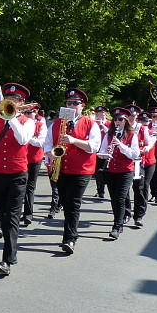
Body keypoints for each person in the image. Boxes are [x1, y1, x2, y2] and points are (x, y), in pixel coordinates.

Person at [0, 83, 34, 275]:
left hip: (18, 174)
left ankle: (6, 260)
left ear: (21, 103)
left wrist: (11, 118)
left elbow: (23, 139)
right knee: (2, 215)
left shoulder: (27, 121)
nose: (9, 103)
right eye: (7, 100)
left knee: (11, 217)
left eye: (14, 100)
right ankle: (13, 253)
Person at [43, 88, 101, 255]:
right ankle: (70, 234)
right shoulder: (56, 123)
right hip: (61, 169)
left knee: (73, 203)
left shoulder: (91, 124)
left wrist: (74, 140)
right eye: (69, 103)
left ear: (82, 106)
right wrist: (50, 155)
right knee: (65, 202)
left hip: (82, 170)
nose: (72, 105)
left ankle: (70, 238)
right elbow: (47, 144)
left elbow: (94, 146)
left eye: (75, 103)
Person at [97, 107, 140, 239]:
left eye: (120, 119)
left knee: (121, 198)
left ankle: (117, 226)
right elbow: (101, 152)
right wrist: (106, 153)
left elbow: (135, 154)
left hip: (125, 171)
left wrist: (121, 145)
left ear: (125, 121)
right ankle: (119, 222)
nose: (117, 122)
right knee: (114, 198)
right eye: (115, 120)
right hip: (110, 170)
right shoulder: (109, 135)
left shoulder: (132, 135)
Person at [22, 103, 47, 226]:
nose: (27, 114)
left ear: (35, 113)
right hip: (21, 159)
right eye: (25, 112)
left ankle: (28, 214)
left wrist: (27, 138)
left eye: (30, 112)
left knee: (30, 187)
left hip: (34, 159)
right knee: (20, 187)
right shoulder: (20, 122)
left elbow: (41, 142)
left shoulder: (41, 124)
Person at [132, 112, 156, 226]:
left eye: (146, 121)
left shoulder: (144, 130)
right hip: (128, 162)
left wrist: (147, 147)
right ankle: (126, 213)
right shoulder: (122, 128)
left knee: (141, 187)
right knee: (125, 190)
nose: (144, 123)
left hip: (143, 162)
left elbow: (150, 142)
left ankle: (139, 214)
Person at [92, 106, 111, 198]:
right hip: (96, 149)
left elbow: (112, 133)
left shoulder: (110, 123)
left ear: (105, 114)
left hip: (106, 150)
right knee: (97, 171)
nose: (100, 114)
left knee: (104, 170)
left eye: (102, 113)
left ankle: (106, 187)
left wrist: (103, 126)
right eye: (98, 113)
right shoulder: (94, 123)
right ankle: (100, 190)